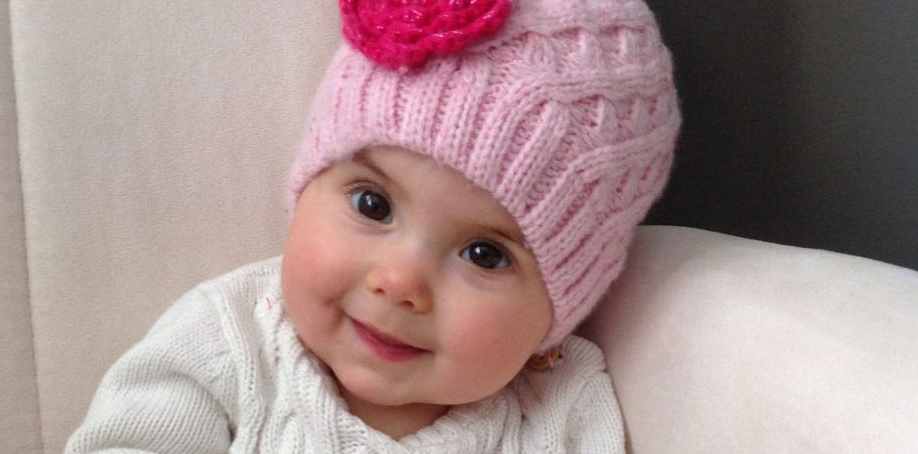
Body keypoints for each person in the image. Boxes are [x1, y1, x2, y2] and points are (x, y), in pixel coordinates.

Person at [65, 0, 680, 452]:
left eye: (485, 254)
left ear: (558, 312)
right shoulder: (229, 341)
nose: (399, 281)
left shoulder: (559, 409)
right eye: (372, 206)